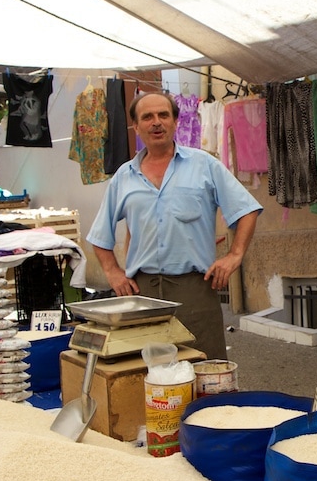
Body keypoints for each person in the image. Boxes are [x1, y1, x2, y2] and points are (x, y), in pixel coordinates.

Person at [87, 91, 262, 360]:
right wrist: (112, 272)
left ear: (175, 122)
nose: (156, 122)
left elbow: (247, 210)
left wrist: (234, 256)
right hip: (141, 293)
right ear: (136, 125)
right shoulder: (124, 176)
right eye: (147, 117)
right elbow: (100, 234)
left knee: (206, 370)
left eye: (163, 115)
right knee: (147, 374)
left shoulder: (203, 165)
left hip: (195, 289)